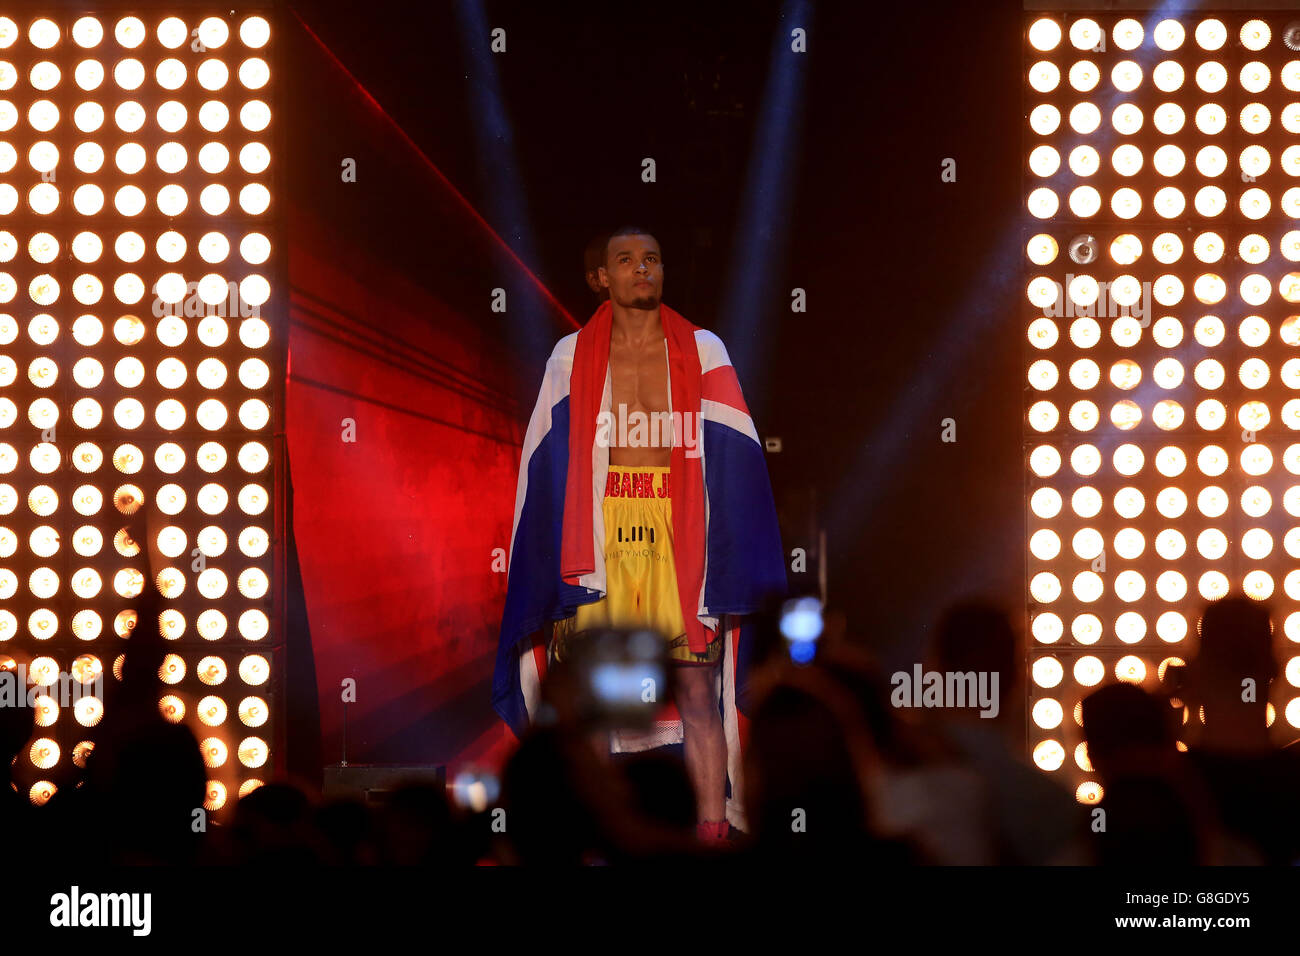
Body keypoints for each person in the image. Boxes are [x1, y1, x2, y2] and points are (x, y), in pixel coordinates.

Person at [492, 225, 786, 839]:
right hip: (598, 536)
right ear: (600, 277)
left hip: (679, 531)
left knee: (698, 690)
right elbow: (542, 465)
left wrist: (734, 552)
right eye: (625, 261)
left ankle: (710, 835)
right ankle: (604, 839)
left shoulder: (704, 349)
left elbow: (738, 456)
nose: (641, 269)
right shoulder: (570, 356)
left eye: (652, 258)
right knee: (597, 701)